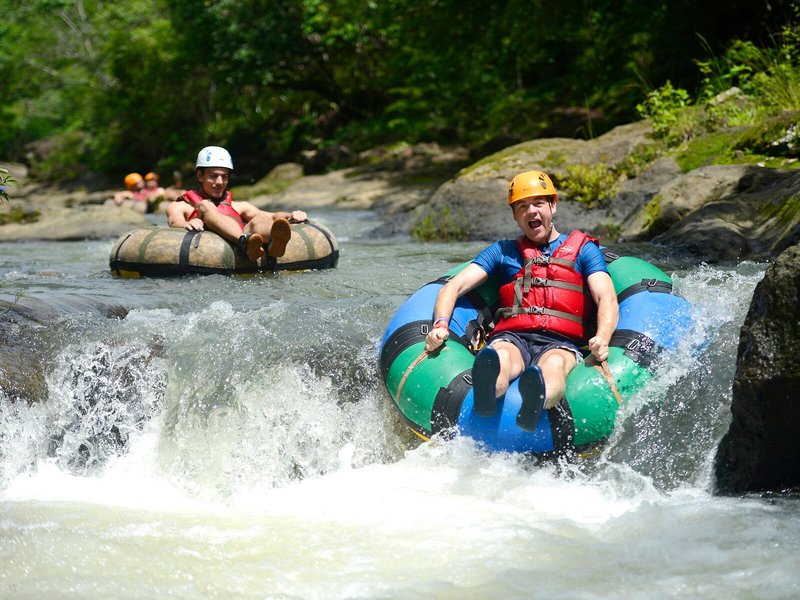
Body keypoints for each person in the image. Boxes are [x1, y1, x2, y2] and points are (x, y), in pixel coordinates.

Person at [424, 170, 619, 430]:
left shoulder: (584, 250)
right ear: (515, 215)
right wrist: (439, 325)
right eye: (522, 207)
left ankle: (535, 397)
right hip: (512, 336)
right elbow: (454, 286)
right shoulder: (502, 252)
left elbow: (605, 296)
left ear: (553, 205)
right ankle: (489, 389)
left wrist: (602, 338)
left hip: (561, 342)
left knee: (555, 365)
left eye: (538, 203)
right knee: (502, 356)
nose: (531, 212)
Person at [166, 146, 308, 260]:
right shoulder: (181, 206)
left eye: (224, 177)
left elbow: (273, 216)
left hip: (247, 240)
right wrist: (185, 224)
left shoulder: (239, 206)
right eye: (213, 176)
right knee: (205, 205)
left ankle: (273, 243)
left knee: (260, 218)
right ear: (199, 175)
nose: (220, 182)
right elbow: (174, 221)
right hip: (214, 245)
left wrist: (291, 215)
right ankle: (244, 242)